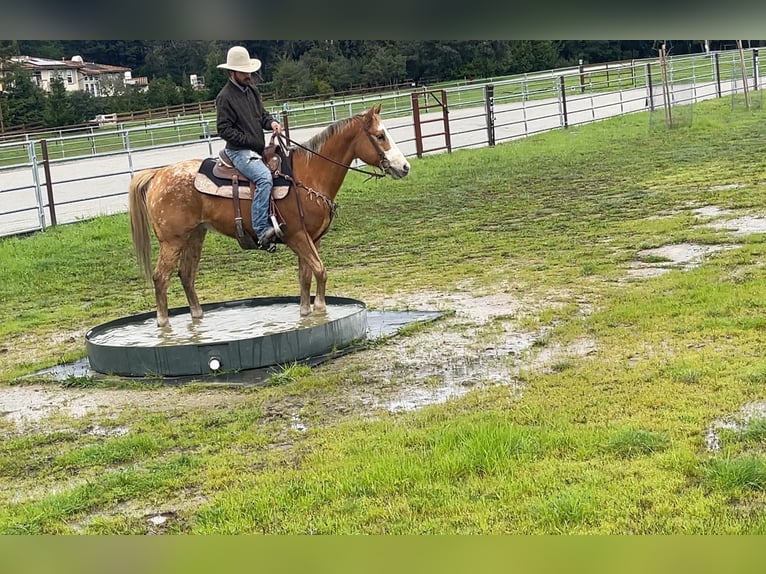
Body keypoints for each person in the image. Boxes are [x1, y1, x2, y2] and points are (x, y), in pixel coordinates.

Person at [215, 46, 282, 250]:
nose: (248, 75)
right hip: (239, 152)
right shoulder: (225, 97)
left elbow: (261, 115)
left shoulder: (252, 91)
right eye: (244, 72)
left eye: (249, 71)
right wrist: (249, 140)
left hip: (256, 149)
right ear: (232, 72)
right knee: (263, 178)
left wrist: (271, 123)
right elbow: (224, 129)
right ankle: (261, 231)